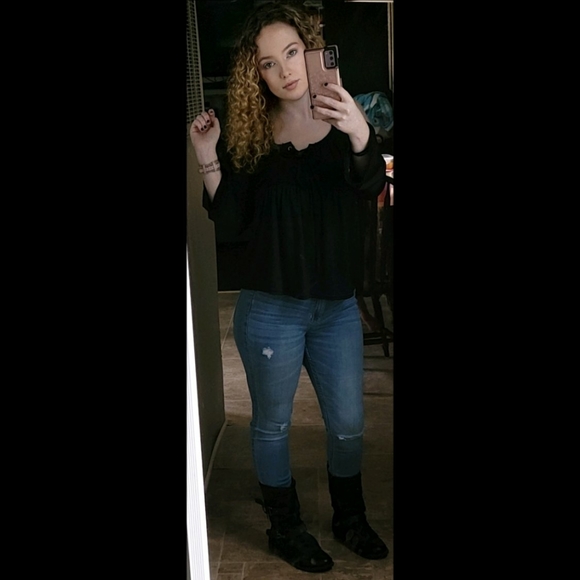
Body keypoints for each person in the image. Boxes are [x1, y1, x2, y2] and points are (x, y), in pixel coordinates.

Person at [189, 2, 388, 574]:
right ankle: (285, 528)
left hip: (336, 307)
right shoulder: (252, 135)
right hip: (270, 310)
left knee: (348, 424)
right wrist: (207, 156)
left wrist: (360, 134)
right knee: (272, 425)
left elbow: (370, 188)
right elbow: (231, 223)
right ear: (257, 74)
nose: (285, 71)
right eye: (268, 63)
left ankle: (350, 518)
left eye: (293, 53)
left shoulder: (347, 118)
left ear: (312, 49)